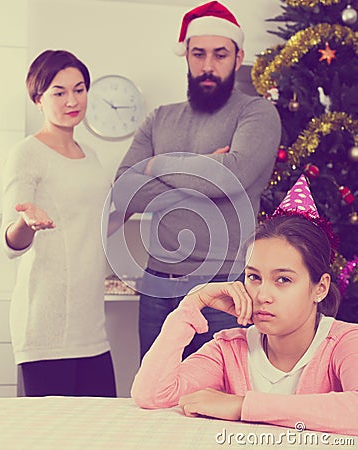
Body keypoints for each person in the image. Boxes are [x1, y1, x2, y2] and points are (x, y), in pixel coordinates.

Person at [112, 1, 281, 360]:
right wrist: (206, 171)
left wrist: (156, 165)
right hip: (157, 287)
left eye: (220, 55)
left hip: (226, 291)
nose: (208, 66)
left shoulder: (257, 112)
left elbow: (229, 176)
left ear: (238, 58)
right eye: (198, 54)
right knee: (155, 398)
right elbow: (125, 194)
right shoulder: (160, 118)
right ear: (186, 56)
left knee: (220, 402)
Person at [131, 175, 358, 436]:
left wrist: (242, 406)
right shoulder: (230, 349)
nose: (262, 295)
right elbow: (151, 395)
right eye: (254, 277)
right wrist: (192, 303)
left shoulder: (345, 343)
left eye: (283, 279)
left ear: (320, 287)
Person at [0, 50, 116, 397]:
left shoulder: (90, 155)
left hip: (91, 324)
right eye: (59, 92)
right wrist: (27, 223)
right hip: (46, 324)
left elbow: (96, 225)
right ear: (38, 99)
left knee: (99, 433)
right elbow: (9, 241)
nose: (72, 100)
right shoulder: (27, 153)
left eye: (79, 90)